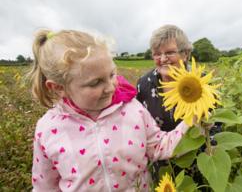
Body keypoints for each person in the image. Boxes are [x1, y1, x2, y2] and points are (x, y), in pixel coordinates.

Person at [29, 29, 190, 191]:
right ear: (58, 88)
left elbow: (160, 146)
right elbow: (45, 187)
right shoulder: (48, 129)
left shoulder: (133, 110)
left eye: (112, 74)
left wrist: (193, 120)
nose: (110, 87)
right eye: (95, 83)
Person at [136, 24, 221, 183]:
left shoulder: (201, 82)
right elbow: (138, 126)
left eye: (169, 52)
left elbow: (216, 124)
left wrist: (212, 152)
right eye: (156, 54)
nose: (162, 59)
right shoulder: (144, 84)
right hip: (162, 169)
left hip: (198, 165)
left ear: (186, 54)